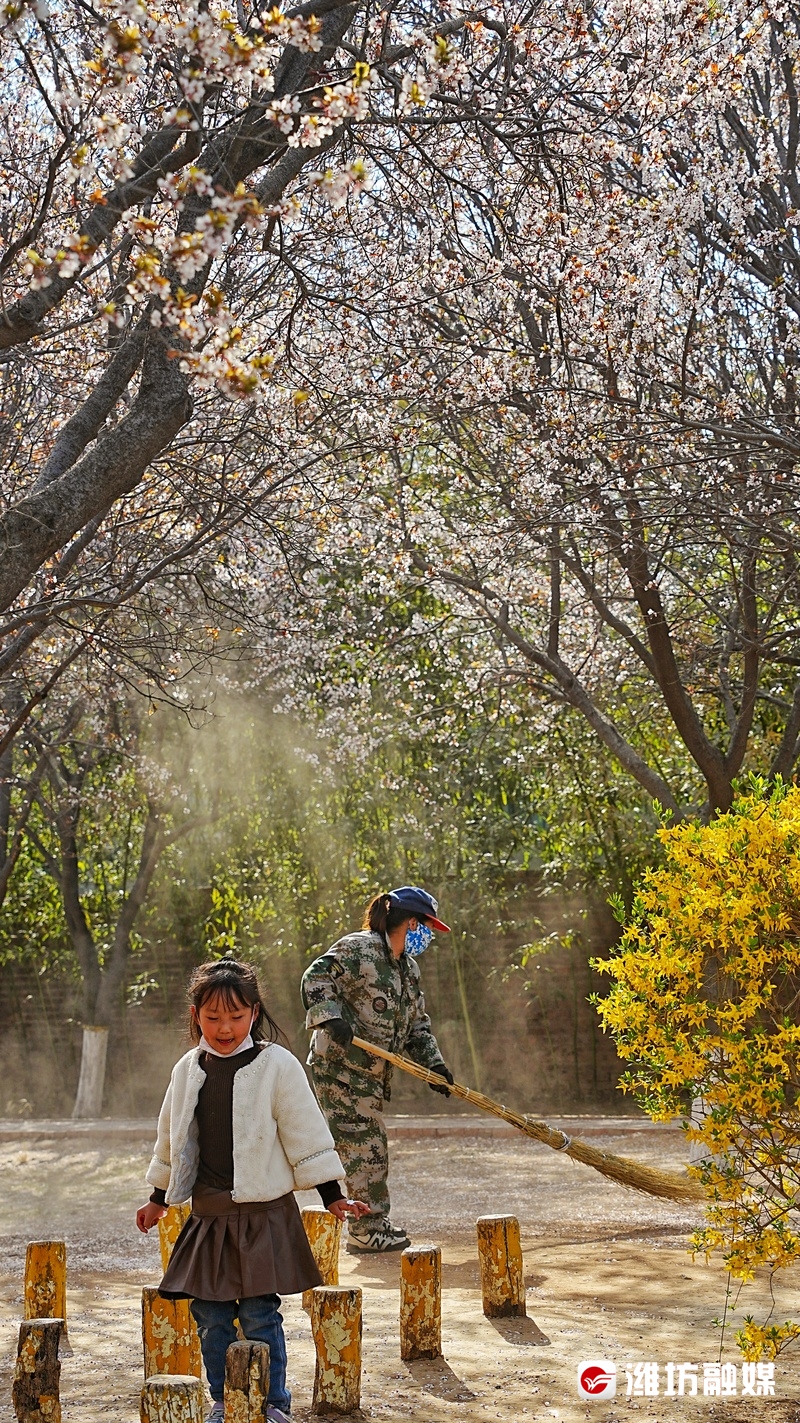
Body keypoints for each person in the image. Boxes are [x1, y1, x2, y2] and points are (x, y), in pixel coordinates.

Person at [135, 956, 369, 1423]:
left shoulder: (276, 1064)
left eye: (236, 1016)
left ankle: (272, 1403)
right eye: (213, 1016)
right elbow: (171, 1137)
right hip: (210, 1215)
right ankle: (225, 1400)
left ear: (255, 1013)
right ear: (196, 1015)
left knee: (261, 1313)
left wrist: (332, 1196)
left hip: (265, 1214)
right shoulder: (187, 1069)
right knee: (210, 1314)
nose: (225, 1027)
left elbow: (306, 1133)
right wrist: (158, 1197)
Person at [301, 885, 455, 1254]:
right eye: (427, 927)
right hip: (340, 1068)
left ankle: (367, 1221)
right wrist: (330, 1019)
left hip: (371, 1075)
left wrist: (434, 1064)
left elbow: (417, 1023)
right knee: (366, 1147)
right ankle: (367, 1228)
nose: (429, 936)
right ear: (412, 922)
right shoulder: (359, 948)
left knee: (363, 1146)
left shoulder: (407, 969)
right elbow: (316, 977)